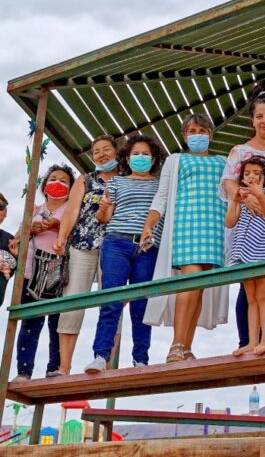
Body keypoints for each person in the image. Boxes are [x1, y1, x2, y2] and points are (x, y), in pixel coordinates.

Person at [142, 113, 228, 363]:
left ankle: (187, 346)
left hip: (214, 227)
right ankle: (175, 345)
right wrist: (149, 225)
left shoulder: (223, 161)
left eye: (202, 131)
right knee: (188, 283)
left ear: (210, 135)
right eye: (193, 131)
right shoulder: (175, 160)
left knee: (199, 289)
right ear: (185, 135)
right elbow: (162, 195)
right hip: (186, 224)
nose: (198, 135)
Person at [220, 86, 265, 349]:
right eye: (259, 115)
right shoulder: (240, 151)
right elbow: (229, 182)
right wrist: (246, 197)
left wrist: (263, 197)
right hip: (246, 228)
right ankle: (247, 342)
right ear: (252, 119)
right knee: (247, 289)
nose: (264, 120)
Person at [84, 135, 166, 374]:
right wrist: (102, 210)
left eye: (145, 154)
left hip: (147, 247)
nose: (140, 158)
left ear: (153, 159)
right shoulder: (117, 183)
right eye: (135, 154)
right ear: (127, 159)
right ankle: (101, 355)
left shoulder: (161, 185)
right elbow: (104, 219)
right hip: (116, 242)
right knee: (111, 300)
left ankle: (140, 358)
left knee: (141, 303)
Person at [52, 135, 120, 376]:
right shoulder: (85, 179)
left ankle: (105, 362)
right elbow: (72, 210)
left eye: (106, 150)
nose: (101, 154)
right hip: (83, 243)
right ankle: (65, 366)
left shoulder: (126, 179)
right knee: (73, 302)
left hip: (115, 247)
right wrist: (62, 236)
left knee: (112, 303)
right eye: (96, 152)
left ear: (116, 152)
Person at [12, 164, 75, 382]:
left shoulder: (71, 209)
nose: (58, 183)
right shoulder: (34, 210)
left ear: (71, 188)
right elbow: (16, 240)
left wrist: (59, 226)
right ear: (45, 184)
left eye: (64, 180)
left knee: (57, 322)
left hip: (59, 273)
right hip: (31, 273)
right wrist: (29, 229)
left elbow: (76, 236)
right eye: (54, 178)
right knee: (30, 321)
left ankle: (54, 368)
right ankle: (24, 370)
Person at [226, 155, 265, 356]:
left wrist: (259, 195)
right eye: (247, 173)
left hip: (263, 250)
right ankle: (252, 341)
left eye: (256, 173)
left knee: (263, 295)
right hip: (243, 250)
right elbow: (230, 222)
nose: (251, 177)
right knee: (250, 298)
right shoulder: (242, 196)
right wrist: (235, 202)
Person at [0, 193, 16, 307]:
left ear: (5, 213)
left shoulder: (8, 240)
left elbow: (9, 273)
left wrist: (16, 256)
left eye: (1, 206)